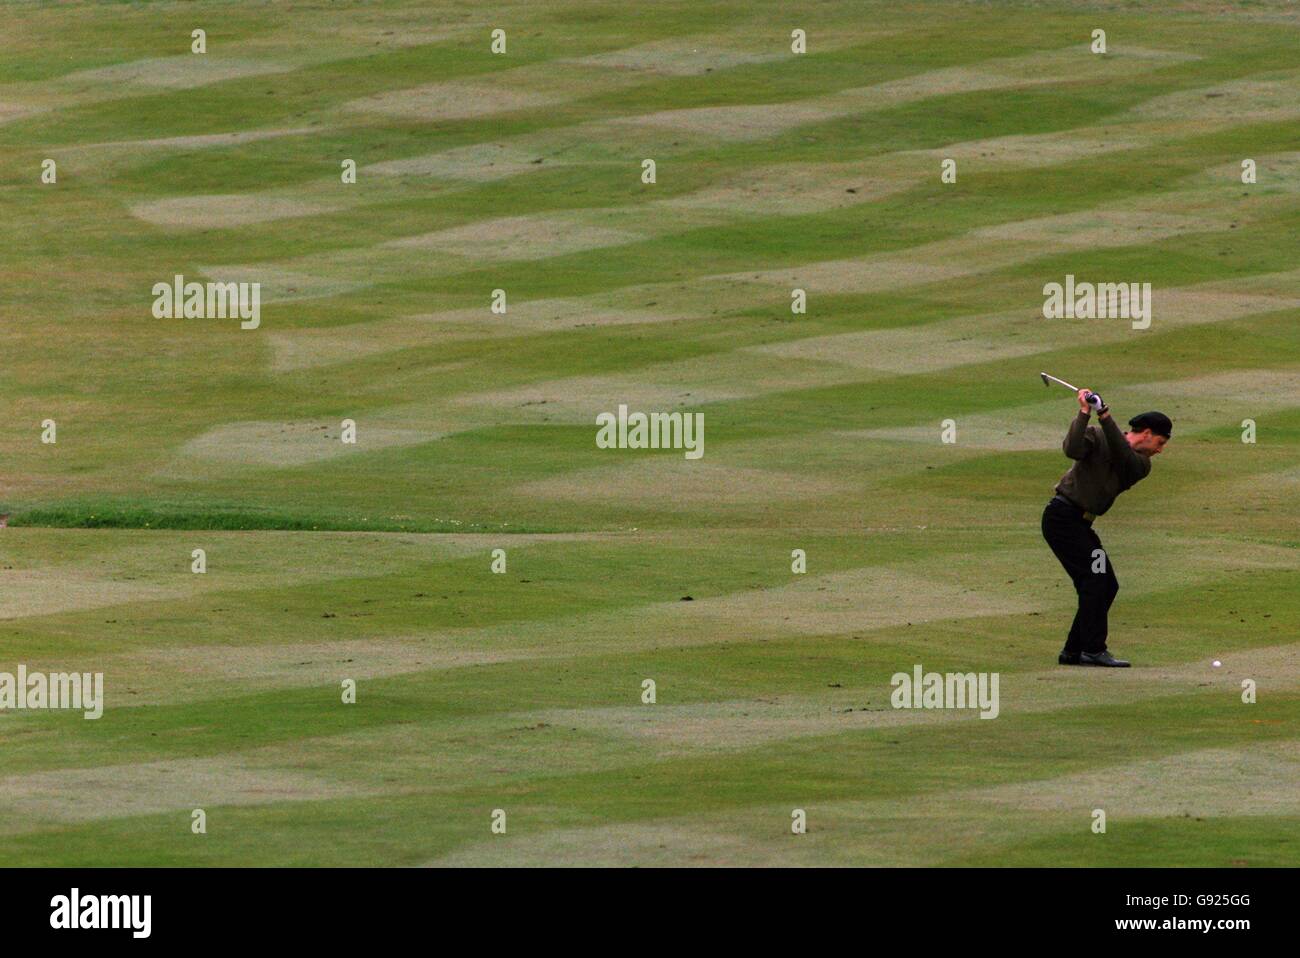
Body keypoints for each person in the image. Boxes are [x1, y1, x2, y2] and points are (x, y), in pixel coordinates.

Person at [1041, 389, 1171, 667]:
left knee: (1103, 584)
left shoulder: (1141, 465)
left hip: (1080, 524)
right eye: (1159, 442)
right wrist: (1085, 413)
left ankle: (1074, 651)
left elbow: (1122, 454)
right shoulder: (1098, 435)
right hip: (1062, 518)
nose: (1160, 450)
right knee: (1097, 582)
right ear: (1146, 433)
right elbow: (1072, 449)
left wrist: (1105, 415)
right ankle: (1091, 649)